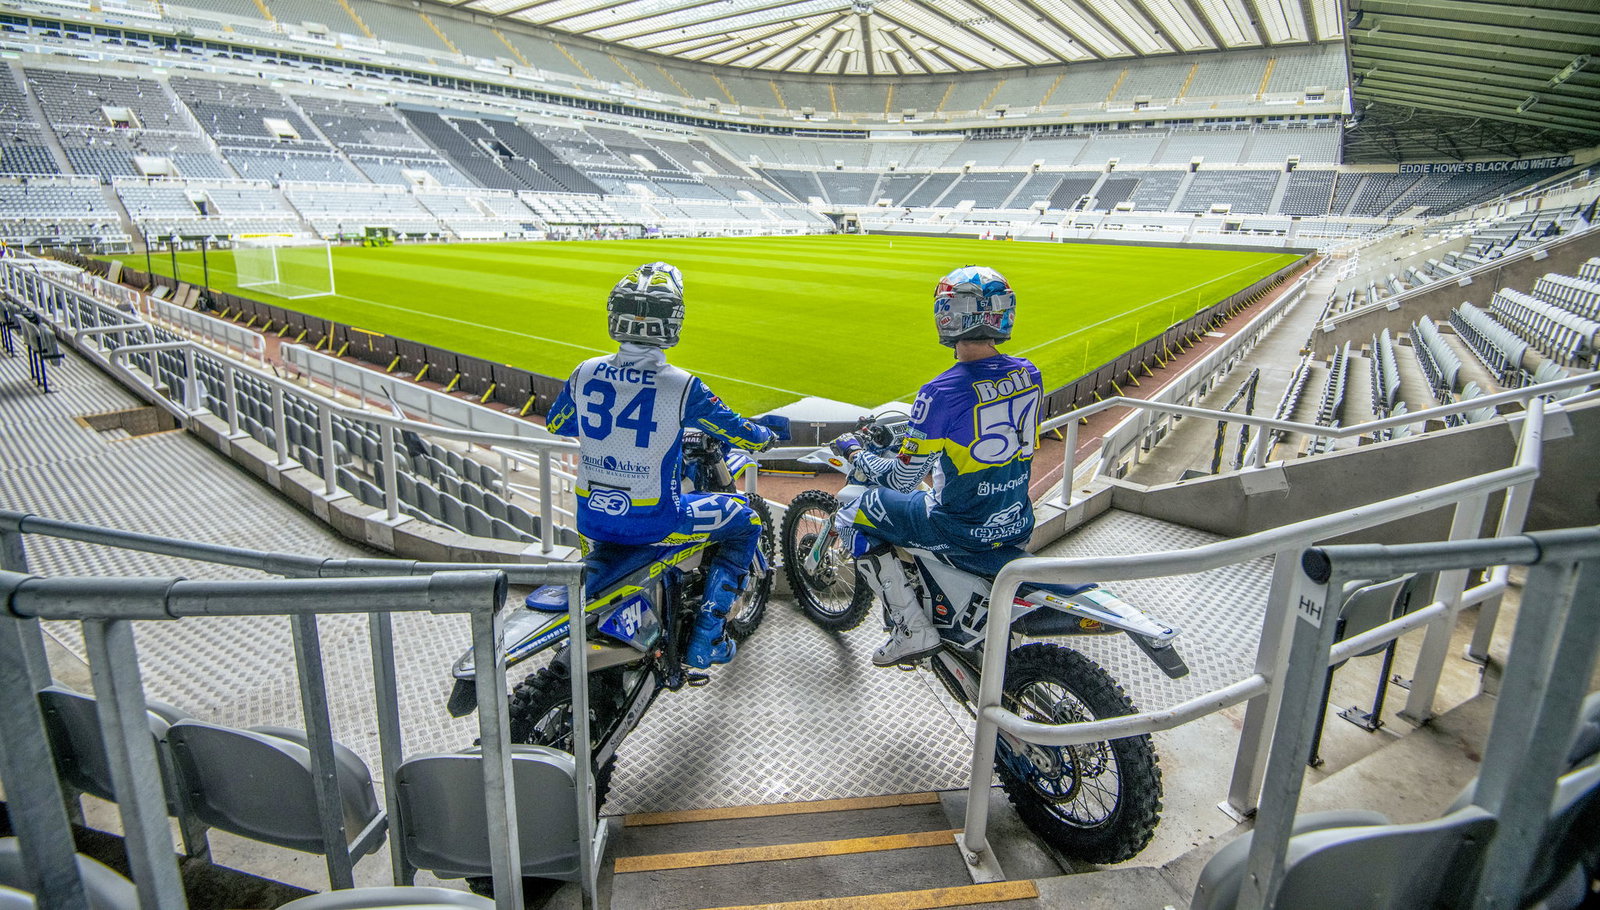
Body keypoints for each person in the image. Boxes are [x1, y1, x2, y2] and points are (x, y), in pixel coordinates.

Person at [545, 262, 782, 669]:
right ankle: (707, 636)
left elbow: (558, 422)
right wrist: (767, 435)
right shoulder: (682, 385)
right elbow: (743, 435)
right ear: (672, 321)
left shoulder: (583, 372)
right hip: (655, 521)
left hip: (592, 520)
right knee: (747, 521)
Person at [833, 265, 1042, 667]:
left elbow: (903, 478)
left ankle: (912, 628)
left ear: (947, 314)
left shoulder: (940, 392)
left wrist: (856, 454)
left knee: (852, 509)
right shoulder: (1029, 373)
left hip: (960, 525)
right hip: (1016, 520)